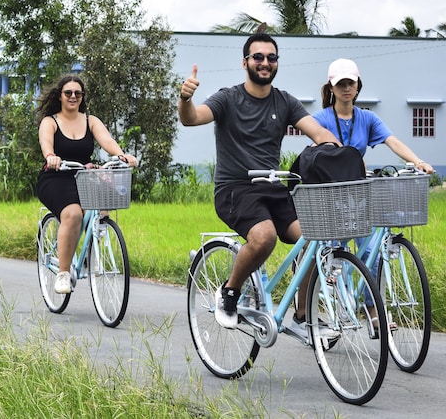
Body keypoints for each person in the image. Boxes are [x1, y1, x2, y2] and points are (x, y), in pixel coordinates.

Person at [178, 33, 340, 331]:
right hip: (235, 189)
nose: (265, 62)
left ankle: (303, 315)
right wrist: (185, 98)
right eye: (258, 57)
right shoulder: (228, 98)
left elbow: (319, 134)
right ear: (245, 63)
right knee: (265, 237)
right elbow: (192, 118)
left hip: (273, 187)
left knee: (314, 235)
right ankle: (230, 291)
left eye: (271, 57)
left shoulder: (285, 101)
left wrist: (343, 158)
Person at [312, 58, 435, 329]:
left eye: (350, 83)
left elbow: (392, 141)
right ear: (331, 88)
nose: (346, 88)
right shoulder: (320, 119)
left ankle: (371, 309)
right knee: (336, 250)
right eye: (340, 84)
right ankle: (338, 302)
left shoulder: (367, 118)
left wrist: (417, 161)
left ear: (358, 86)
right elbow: (317, 152)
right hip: (331, 193)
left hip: (358, 194)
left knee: (372, 251)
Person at [36, 74, 138, 295]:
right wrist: (51, 156)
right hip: (56, 176)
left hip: (83, 176)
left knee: (103, 203)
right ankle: (63, 273)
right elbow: (46, 144)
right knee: (72, 214)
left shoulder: (90, 120)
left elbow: (108, 141)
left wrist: (121, 155)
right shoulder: (50, 121)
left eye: (78, 93)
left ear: (82, 97)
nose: (73, 96)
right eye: (68, 93)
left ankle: (86, 252)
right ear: (60, 96)